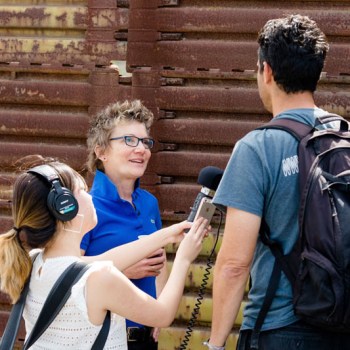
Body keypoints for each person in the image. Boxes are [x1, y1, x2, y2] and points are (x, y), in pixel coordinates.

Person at [205, 14, 350, 350]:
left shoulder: (257, 148)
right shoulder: (344, 137)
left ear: (266, 71)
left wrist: (214, 344)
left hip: (278, 328)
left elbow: (233, 264)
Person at [0, 157, 209, 349]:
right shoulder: (100, 277)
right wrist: (183, 258)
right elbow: (162, 315)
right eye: (82, 189)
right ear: (66, 207)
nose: (90, 195)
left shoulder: (35, 260)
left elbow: (100, 261)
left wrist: (167, 236)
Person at [80, 99, 165, 349]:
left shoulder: (149, 203)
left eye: (145, 141)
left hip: (146, 338)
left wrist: (159, 307)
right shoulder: (86, 207)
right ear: (101, 151)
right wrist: (121, 272)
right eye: (129, 140)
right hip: (103, 339)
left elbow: (159, 262)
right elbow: (64, 272)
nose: (141, 149)